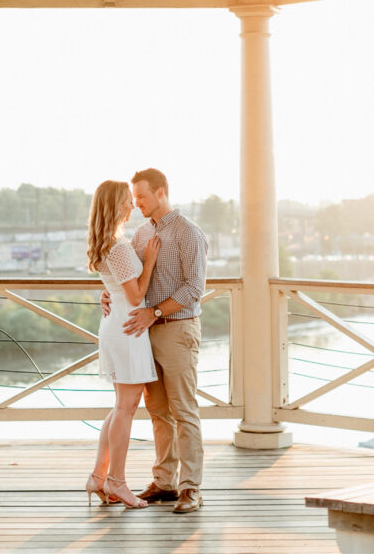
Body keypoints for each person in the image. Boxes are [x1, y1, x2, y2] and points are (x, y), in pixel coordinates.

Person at [102, 168, 208, 514]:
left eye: (142, 197)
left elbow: (194, 289)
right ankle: (165, 482)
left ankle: (191, 487)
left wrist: (156, 314)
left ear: (161, 193)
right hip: (144, 333)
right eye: (134, 199)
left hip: (177, 330)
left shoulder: (189, 233)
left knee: (184, 409)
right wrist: (106, 296)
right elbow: (127, 279)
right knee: (159, 412)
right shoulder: (141, 233)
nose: (137, 204)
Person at [85, 179, 161, 509]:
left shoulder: (108, 244)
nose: (132, 206)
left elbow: (116, 288)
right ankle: (116, 480)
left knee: (121, 406)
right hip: (128, 327)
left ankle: (99, 477)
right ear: (117, 206)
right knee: (127, 408)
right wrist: (153, 261)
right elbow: (135, 294)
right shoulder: (117, 246)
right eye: (128, 201)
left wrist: (109, 293)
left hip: (118, 323)